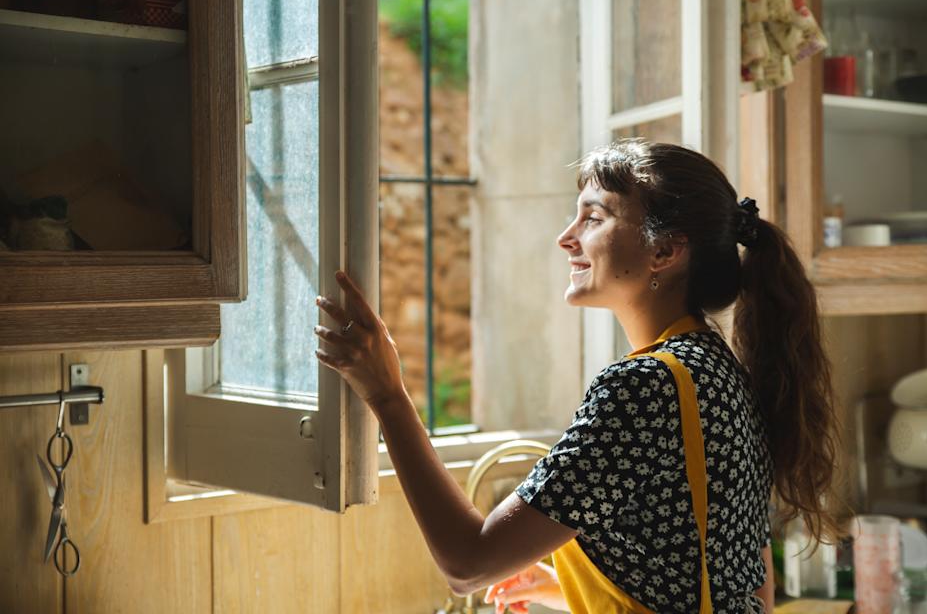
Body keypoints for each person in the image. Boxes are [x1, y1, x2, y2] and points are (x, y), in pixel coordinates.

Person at [314, 139, 842, 613]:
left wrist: (387, 395)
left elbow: (467, 565)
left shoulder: (644, 387)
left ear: (665, 250)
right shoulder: (719, 370)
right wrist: (563, 589)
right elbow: (743, 587)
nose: (566, 239)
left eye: (593, 218)